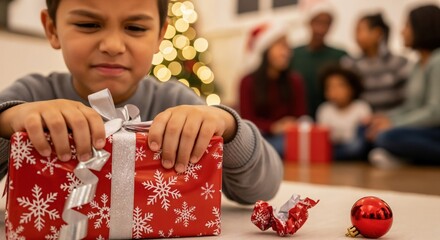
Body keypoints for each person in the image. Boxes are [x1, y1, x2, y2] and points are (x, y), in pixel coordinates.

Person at [0, 0, 283, 205]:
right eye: (88, 24)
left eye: (134, 27)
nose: (112, 45)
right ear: (52, 28)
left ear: (160, 35)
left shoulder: (175, 101)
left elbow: (263, 188)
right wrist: (6, 122)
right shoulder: (32, 95)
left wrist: (228, 127)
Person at [367, 4, 440, 168]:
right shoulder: (417, 65)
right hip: (421, 129)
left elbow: (435, 113)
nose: (402, 31)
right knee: (368, 129)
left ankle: (404, 155)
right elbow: (411, 107)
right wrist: (384, 118)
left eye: (407, 25)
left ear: (422, 27)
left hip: (435, 131)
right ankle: (405, 156)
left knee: (387, 136)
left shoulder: (437, 61)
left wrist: (394, 124)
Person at [239, 21, 307, 158]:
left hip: (288, 137)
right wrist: (274, 127)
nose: (286, 52)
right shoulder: (247, 82)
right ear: (265, 49)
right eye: (281, 46)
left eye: (287, 47)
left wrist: (291, 125)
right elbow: (247, 121)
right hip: (258, 137)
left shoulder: (295, 80)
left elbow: (301, 115)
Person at [342, 13, 411, 113]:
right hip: (362, 120)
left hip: (393, 120)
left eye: (359, 30)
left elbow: (406, 99)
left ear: (377, 33)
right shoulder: (350, 64)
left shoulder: (398, 63)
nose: (356, 36)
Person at [290, 3, 347, 118]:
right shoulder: (294, 54)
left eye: (326, 23)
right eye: (318, 22)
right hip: (298, 118)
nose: (321, 28)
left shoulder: (340, 55)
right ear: (309, 23)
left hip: (331, 119)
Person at [317, 65, 372, 160]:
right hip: (332, 147)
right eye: (330, 87)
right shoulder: (324, 109)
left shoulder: (361, 107)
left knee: (357, 146)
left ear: (351, 88)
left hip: (354, 145)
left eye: (340, 86)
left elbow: (364, 137)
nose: (335, 91)